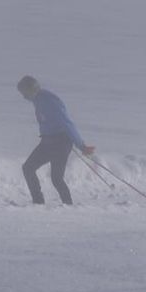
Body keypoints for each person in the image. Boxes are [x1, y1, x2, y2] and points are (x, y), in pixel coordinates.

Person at [17, 75, 95, 205]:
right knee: (28, 168)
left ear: (32, 89)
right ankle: (38, 202)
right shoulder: (37, 99)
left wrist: (81, 145)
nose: (23, 97)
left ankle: (68, 204)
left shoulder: (48, 100)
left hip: (61, 143)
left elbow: (66, 123)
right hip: (47, 142)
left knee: (56, 178)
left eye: (24, 93)